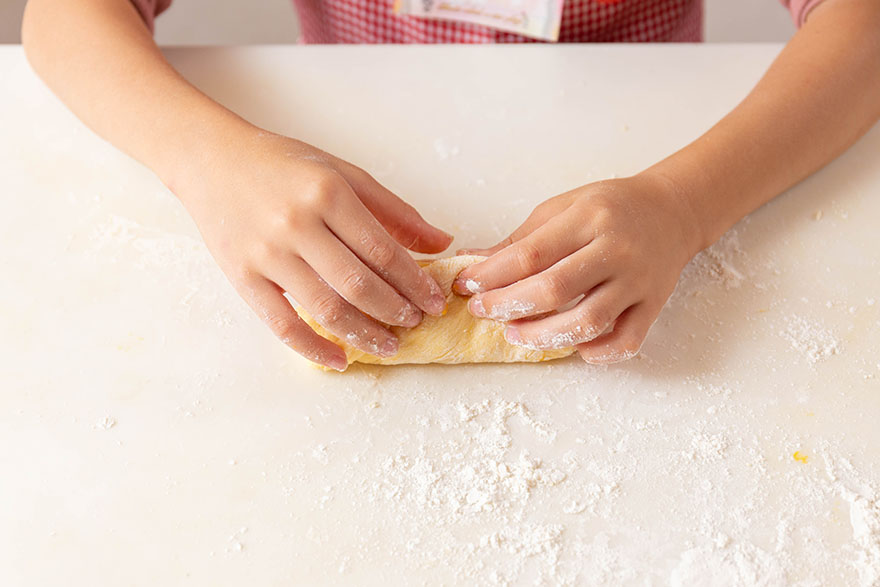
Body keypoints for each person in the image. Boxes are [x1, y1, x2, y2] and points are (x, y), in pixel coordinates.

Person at [20, 0, 880, 370]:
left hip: (655, 144)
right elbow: (60, 18)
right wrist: (212, 162)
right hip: (355, 127)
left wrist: (686, 204)